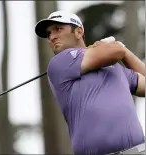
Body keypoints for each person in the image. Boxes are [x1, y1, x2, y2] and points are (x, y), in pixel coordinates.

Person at [35, 11, 145, 155]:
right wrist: (115, 48)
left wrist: (124, 51)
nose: (52, 37)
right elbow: (116, 52)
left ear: (78, 32)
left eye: (58, 29)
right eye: (49, 34)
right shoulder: (59, 63)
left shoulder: (116, 69)